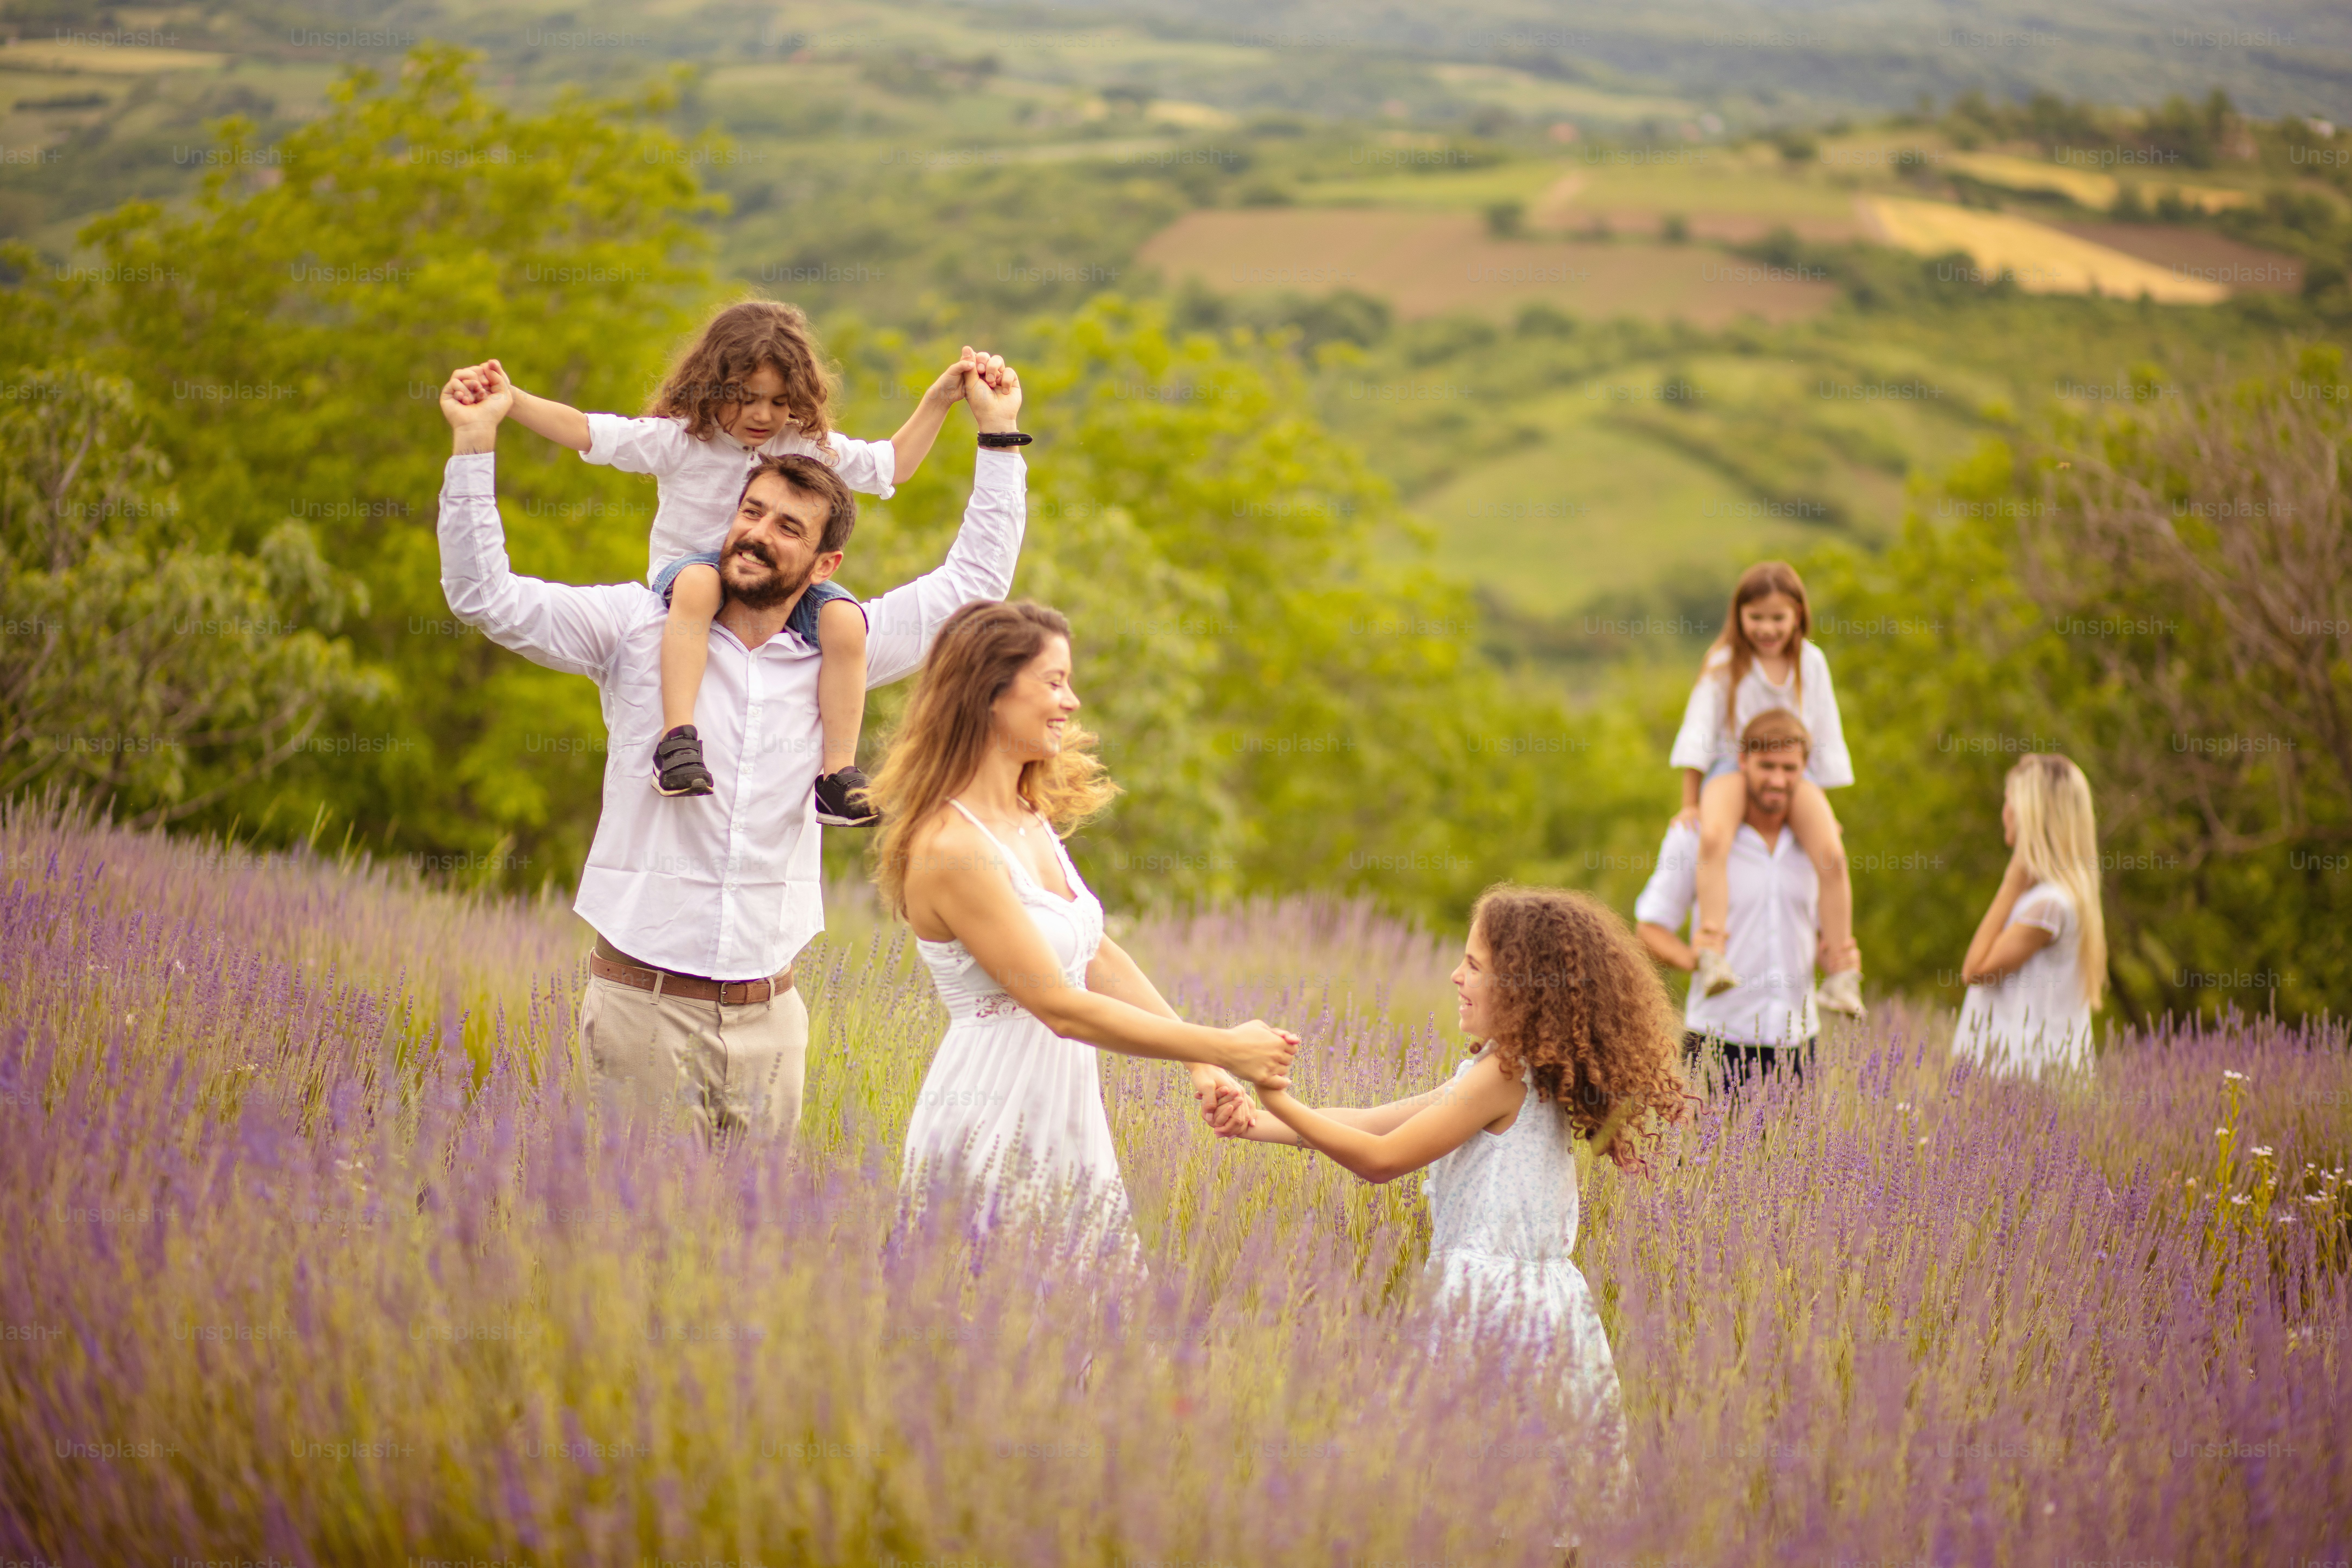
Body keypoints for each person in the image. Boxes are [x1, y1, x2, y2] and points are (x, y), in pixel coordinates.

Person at [434, 348, 1026, 1143]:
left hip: (772, 1020)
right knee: (634, 1241)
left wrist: (998, 435)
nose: (755, 534)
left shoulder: (838, 656)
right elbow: (486, 597)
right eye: (750, 513)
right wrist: (474, 446)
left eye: (787, 527)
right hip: (643, 1008)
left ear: (825, 565)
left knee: (748, 1252)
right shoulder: (637, 630)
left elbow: (972, 585)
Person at [1220, 884, 1691, 1540]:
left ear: (1522, 984)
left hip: (1496, 1314)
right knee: (1523, 1513)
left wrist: (1275, 1092)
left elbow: (1380, 1158)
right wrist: (1256, 1121)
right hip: (1539, 1307)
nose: (1455, 975)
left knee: (1485, 1511)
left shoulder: (1504, 1075)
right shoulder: (1513, 1070)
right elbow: (1378, 1119)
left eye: (1473, 964)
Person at [872, 599, 1291, 1259]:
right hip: (991, 1111)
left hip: (1063, 1113)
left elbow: (1090, 948)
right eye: (1054, 680)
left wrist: (1202, 1062)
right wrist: (1227, 1042)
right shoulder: (953, 846)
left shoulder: (1025, 814)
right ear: (989, 691)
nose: (1071, 701)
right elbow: (1059, 1006)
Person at [454, 298, 983, 820]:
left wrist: (940, 399)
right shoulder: (682, 441)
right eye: (746, 398)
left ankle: (836, 775)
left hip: (776, 582)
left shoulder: (799, 443)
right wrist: (512, 401)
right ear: (713, 388)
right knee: (701, 586)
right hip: (687, 572)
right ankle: (678, 741)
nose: (763, 415)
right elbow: (588, 431)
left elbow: (894, 465)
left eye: (779, 402)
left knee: (846, 620)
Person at [1669, 561, 1863, 1017]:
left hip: (1796, 773)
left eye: (1778, 617)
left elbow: (1824, 732)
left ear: (1798, 614)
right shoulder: (1724, 663)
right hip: (1733, 765)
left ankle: (1840, 971)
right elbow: (1698, 730)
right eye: (1756, 617)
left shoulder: (1810, 663)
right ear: (1739, 616)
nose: (1767, 628)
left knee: (1832, 854)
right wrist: (1689, 802)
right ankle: (1714, 951)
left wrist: (1823, 807)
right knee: (1714, 838)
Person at [1637, 708, 1827, 1095]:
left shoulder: (1818, 843)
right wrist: (1697, 960)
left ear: (1805, 769)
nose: (1778, 779)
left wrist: (1835, 958)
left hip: (1799, 1040)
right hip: (1717, 1039)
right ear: (1742, 762)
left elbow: (1823, 932)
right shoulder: (1695, 836)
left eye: (1790, 768)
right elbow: (1649, 929)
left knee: (1796, 1157)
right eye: (1767, 765)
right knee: (1701, 1156)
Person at [1954, 754, 2106, 1076]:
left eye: (2008, 801)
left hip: (2026, 1083)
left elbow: (1975, 970)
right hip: (2024, 1081)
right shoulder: (2053, 898)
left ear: (2029, 815)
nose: (2003, 813)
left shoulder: (2049, 904)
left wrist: (2012, 880)